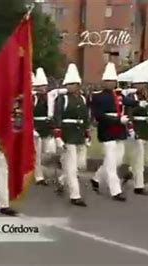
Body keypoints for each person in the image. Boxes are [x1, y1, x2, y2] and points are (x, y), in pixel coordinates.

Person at [91, 62, 145, 201]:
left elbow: (129, 102)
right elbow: (99, 116)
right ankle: (116, 191)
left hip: (119, 131)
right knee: (111, 161)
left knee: (117, 160)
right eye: (108, 81)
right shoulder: (98, 96)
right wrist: (117, 120)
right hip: (107, 130)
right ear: (104, 82)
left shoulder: (118, 95)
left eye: (113, 81)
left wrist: (141, 103)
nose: (111, 84)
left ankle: (96, 178)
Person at [53, 63, 89, 207]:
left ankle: (62, 180)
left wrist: (87, 134)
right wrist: (58, 136)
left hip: (79, 134)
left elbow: (86, 117)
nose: (71, 86)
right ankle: (75, 195)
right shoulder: (62, 99)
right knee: (72, 166)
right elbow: (58, 117)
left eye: (74, 84)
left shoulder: (83, 99)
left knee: (81, 164)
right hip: (68, 134)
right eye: (69, 84)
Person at [126, 71, 148, 196]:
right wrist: (131, 129)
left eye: (144, 84)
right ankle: (139, 186)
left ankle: (131, 170)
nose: (142, 86)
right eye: (139, 84)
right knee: (139, 159)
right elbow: (129, 114)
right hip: (138, 129)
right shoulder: (131, 97)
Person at [32, 67, 55, 186]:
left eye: (44, 86)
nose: (43, 88)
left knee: (49, 152)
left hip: (46, 127)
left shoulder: (49, 97)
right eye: (41, 86)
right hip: (36, 127)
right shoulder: (33, 98)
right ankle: (39, 176)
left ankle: (36, 168)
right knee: (37, 154)